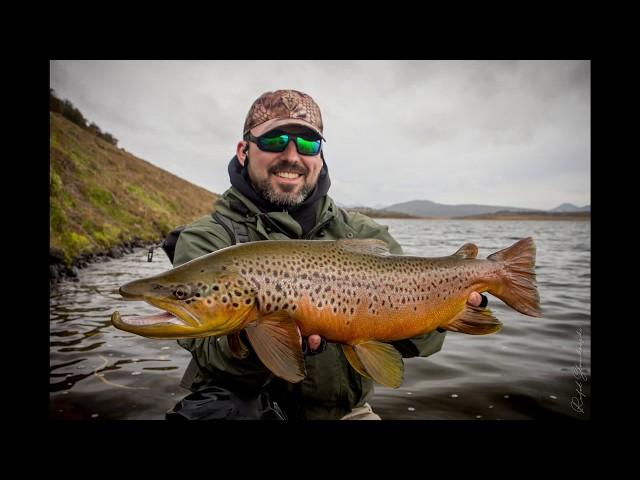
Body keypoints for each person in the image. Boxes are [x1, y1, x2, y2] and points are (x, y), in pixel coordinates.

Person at [168, 89, 486, 420]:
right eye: (274, 140)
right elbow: (208, 355)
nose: (291, 155)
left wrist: (450, 309)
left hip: (346, 413)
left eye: (308, 144)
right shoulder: (209, 238)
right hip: (245, 411)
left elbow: (413, 346)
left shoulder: (364, 234)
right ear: (244, 150)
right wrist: (264, 337)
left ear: (320, 157)